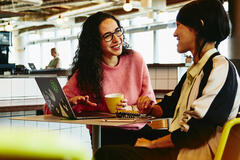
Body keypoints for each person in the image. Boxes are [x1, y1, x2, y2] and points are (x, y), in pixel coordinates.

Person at [94, 0, 240, 160]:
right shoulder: (197, 69)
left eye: (179, 25)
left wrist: (152, 145)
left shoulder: (220, 68)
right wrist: (150, 108)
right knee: (120, 139)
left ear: (199, 26)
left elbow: (197, 131)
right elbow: (170, 105)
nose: (175, 33)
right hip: (185, 147)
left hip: (195, 153)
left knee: (106, 154)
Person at [44, 12, 162, 146]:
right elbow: (49, 108)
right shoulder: (86, 72)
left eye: (118, 31)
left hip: (140, 130)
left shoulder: (135, 59)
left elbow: (150, 102)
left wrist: (137, 106)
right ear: (95, 42)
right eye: (107, 36)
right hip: (106, 135)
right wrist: (71, 102)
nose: (117, 39)